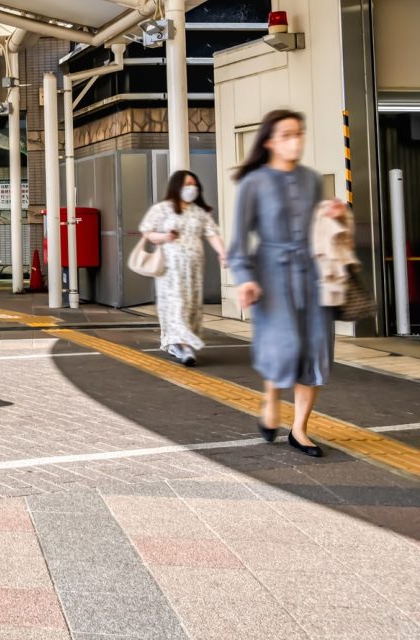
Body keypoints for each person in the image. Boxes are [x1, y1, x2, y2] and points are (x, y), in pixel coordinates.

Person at [228, 109, 346, 458]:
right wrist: (244, 279)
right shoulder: (254, 183)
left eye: (300, 133)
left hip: (313, 275)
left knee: (315, 348)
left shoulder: (311, 179)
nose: (296, 140)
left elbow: (315, 227)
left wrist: (333, 214)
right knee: (284, 346)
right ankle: (270, 401)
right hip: (271, 275)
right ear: (270, 141)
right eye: (288, 134)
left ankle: (300, 429)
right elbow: (237, 243)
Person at [138, 170, 228, 366]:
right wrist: (164, 237)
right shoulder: (162, 209)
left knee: (191, 305)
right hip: (170, 267)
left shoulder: (199, 212)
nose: (192, 188)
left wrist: (223, 252)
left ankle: (178, 343)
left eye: (194, 184)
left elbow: (212, 234)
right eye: (187, 184)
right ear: (177, 186)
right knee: (175, 303)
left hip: (194, 267)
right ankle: (181, 346)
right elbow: (148, 232)